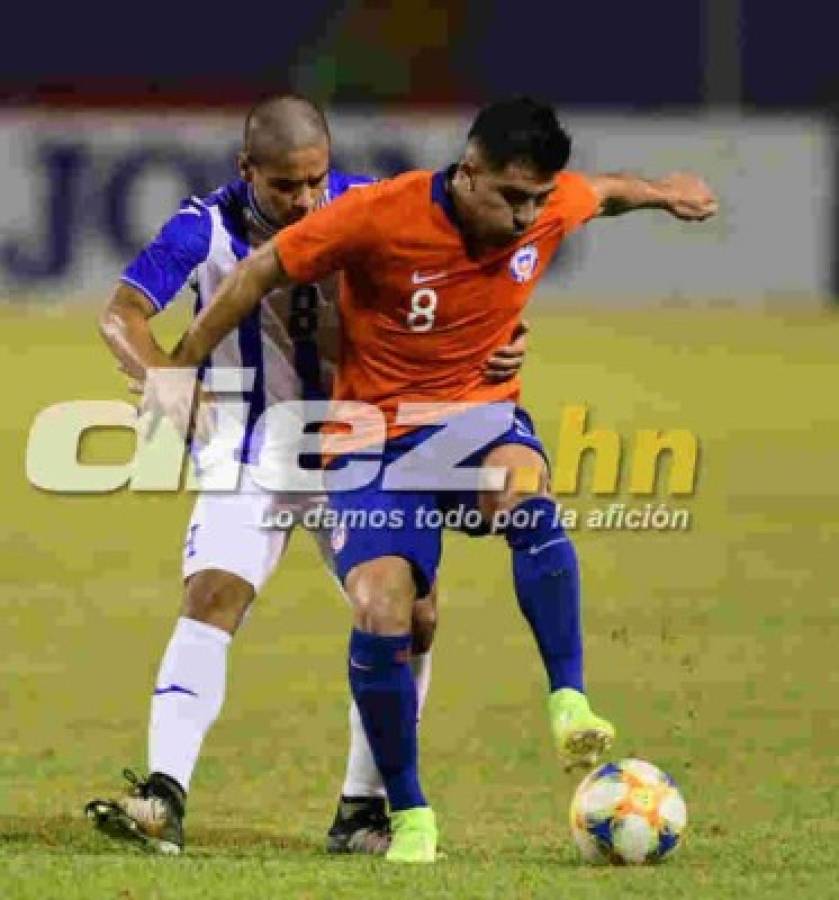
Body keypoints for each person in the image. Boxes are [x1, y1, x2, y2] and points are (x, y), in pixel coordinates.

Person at [169, 96, 718, 863]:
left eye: (536, 198)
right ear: (467, 175)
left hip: (475, 417)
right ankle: (408, 814)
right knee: (382, 607)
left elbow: (607, 191)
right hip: (375, 440)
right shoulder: (381, 214)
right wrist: (185, 361)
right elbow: (261, 267)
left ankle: (568, 699)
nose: (527, 215)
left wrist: (665, 192)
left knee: (524, 493)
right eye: (510, 197)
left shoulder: (548, 202)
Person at [84, 95, 529, 856]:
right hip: (247, 442)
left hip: (357, 444)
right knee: (214, 591)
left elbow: (462, 276)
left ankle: (362, 809)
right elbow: (121, 314)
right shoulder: (203, 226)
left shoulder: (369, 207)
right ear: (245, 169)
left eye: (314, 181)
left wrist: (498, 341)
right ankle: (162, 794)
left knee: (412, 613)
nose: (303, 200)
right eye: (285, 185)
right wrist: (161, 374)